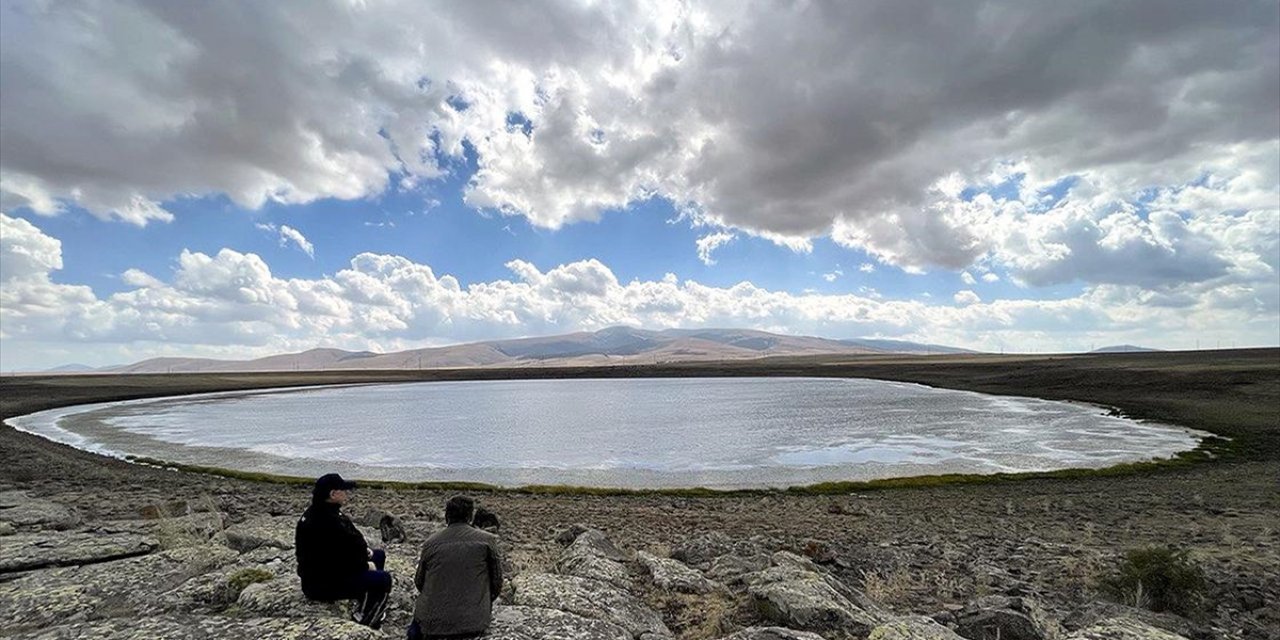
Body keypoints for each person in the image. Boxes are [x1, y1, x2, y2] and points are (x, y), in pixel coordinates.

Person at [295, 473, 392, 629]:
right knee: (384, 579)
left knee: (378, 555)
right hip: (322, 583)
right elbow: (332, 562)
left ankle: (365, 598)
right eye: (343, 490)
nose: (346, 493)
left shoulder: (326, 512)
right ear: (332, 494)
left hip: (332, 573)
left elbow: (350, 543)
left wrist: (365, 552)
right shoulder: (324, 522)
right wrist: (365, 566)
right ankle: (368, 621)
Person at [408, 496, 503, 639]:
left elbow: (419, 582)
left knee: (413, 632)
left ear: (447, 516)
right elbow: (497, 582)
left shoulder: (430, 543)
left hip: (432, 623)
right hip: (473, 622)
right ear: (470, 516)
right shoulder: (487, 540)